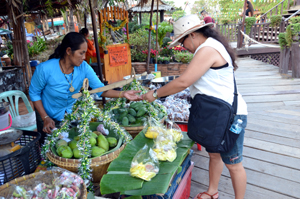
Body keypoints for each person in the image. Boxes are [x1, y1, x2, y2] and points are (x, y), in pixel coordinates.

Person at [142, 15, 248, 199]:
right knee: (214, 155)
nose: (184, 48)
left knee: (233, 164)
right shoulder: (209, 46)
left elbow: (184, 81)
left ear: (192, 35)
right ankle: (213, 192)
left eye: (182, 43)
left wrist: (155, 94)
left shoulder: (207, 49)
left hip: (230, 116)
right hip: (216, 114)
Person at [29, 32, 141, 145]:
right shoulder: (45, 69)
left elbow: (100, 89)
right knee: (49, 151)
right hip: (48, 117)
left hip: (70, 115)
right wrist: (45, 117)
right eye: (81, 53)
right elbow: (34, 93)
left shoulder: (84, 67)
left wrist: (123, 94)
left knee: (71, 148)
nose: (84, 57)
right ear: (68, 51)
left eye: (85, 53)